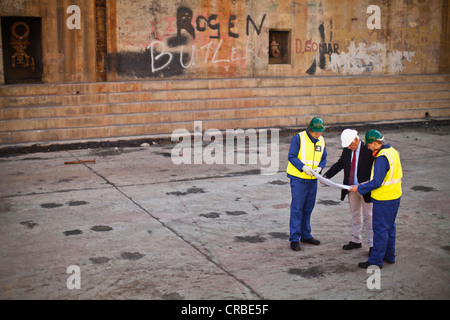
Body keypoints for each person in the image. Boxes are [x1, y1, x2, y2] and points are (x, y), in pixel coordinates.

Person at [349, 130, 403, 269]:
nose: (367, 147)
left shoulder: (381, 158)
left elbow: (377, 182)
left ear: (375, 143)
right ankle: (389, 256)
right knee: (390, 228)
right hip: (395, 196)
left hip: (384, 199)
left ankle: (375, 261)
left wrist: (359, 188)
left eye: (369, 145)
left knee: (379, 230)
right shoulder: (392, 151)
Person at [323, 129, 374, 254]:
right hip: (351, 188)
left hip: (365, 188)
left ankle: (373, 245)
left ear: (356, 140)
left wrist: (368, 185)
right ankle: (356, 240)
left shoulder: (368, 150)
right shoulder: (347, 149)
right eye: (347, 146)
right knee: (355, 213)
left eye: (351, 145)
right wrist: (326, 176)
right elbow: (340, 164)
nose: (349, 147)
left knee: (369, 216)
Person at [286, 117, 327, 251]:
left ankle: (305, 234)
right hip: (299, 179)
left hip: (312, 179)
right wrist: (303, 167)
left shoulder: (321, 140)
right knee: (297, 209)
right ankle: (294, 238)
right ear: (310, 129)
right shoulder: (299, 138)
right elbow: (291, 156)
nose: (318, 135)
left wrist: (319, 168)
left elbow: (324, 157)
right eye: (316, 132)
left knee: (308, 208)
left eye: (320, 132)